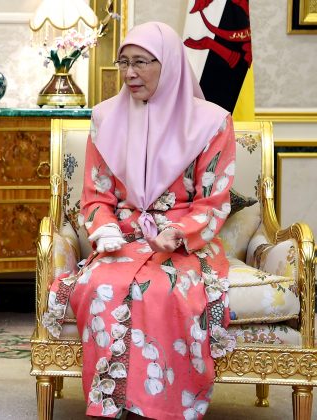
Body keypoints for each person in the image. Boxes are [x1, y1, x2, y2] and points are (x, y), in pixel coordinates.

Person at [41, 22, 236, 419]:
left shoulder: (213, 122)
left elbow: (214, 201)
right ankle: (112, 404)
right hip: (123, 240)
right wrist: (105, 229)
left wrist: (178, 232)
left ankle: (162, 408)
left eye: (141, 63)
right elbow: (96, 195)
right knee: (100, 287)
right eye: (124, 63)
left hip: (185, 245)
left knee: (166, 291)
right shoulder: (105, 118)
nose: (130, 73)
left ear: (170, 64)